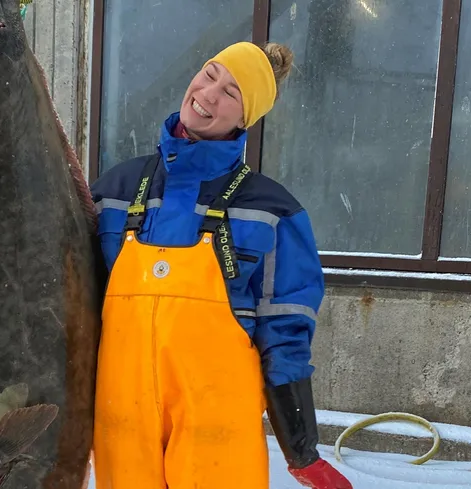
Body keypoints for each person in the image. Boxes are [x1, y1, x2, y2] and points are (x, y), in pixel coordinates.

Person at [89, 41, 353, 489]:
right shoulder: (114, 190)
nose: (209, 94)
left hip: (217, 435)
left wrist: (301, 448)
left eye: (231, 92)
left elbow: (284, 334)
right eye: (210, 74)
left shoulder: (273, 210)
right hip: (121, 427)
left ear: (245, 119)